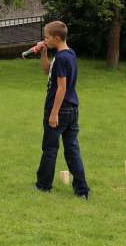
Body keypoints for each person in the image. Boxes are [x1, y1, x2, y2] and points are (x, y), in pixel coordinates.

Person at [36, 21, 90, 199]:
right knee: (72, 150)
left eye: (47, 37)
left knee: (50, 148)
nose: (45, 40)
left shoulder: (61, 58)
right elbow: (46, 71)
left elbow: (61, 88)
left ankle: (43, 186)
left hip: (59, 110)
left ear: (56, 38)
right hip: (72, 110)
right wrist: (43, 51)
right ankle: (82, 190)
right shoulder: (68, 54)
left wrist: (53, 113)